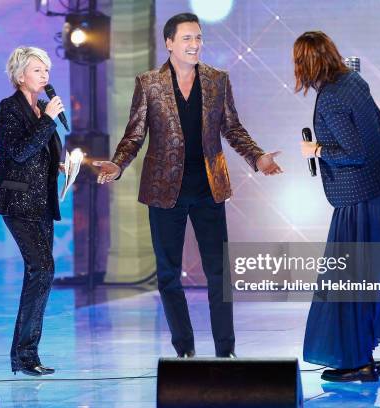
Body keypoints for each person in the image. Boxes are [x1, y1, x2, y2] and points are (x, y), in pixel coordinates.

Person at [92, 13, 283, 358]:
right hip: (164, 191)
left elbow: (233, 128)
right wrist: (117, 165)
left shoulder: (217, 80)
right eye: (187, 39)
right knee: (168, 275)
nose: (195, 44)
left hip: (209, 188)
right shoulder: (148, 83)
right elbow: (135, 135)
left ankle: (226, 351)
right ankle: (185, 350)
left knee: (218, 274)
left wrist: (257, 158)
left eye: (198, 38)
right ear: (169, 43)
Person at [295, 31, 380, 382]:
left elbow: (354, 152)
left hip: (363, 202)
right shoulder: (354, 80)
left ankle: (358, 361)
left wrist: (318, 151)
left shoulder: (329, 98)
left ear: (306, 63)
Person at [0, 46, 65, 376]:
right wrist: (47, 122)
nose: (45, 75)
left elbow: (41, 153)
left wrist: (60, 164)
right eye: (37, 70)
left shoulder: (43, 107)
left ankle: (27, 354)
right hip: (16, 200)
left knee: (41, 272)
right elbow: (17, 152)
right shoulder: (9, 108)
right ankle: (24, 354)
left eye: (46, 69)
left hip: (42, 201)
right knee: (42, 268)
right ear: (20, 76)